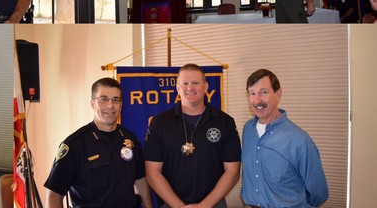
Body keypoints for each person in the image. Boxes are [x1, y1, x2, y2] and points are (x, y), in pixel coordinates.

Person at [44, 77, 152, 208]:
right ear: (92, 104)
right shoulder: (75, 145)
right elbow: (54, 196)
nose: (110, 105)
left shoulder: (131, 139)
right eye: (103, 99)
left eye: (116, 100)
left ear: (121, 104)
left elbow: (140, 180)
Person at [144, 64, 241, 208]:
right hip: (171, 205)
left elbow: (233, 172)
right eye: (185, 83)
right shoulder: (159, 123)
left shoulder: (225, 122)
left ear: (206, 87)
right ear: (177, 88)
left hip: (214, 205)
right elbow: (152, 173)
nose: (190, 87)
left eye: (196, 83)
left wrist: (204, 206)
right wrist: (179, 206)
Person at [241, 69, 329, 208]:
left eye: (264, 92)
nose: (257, 100)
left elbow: (318, 192)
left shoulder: (299, 140)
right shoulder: (248, 130)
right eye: (252, 93)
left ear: (278, 94)